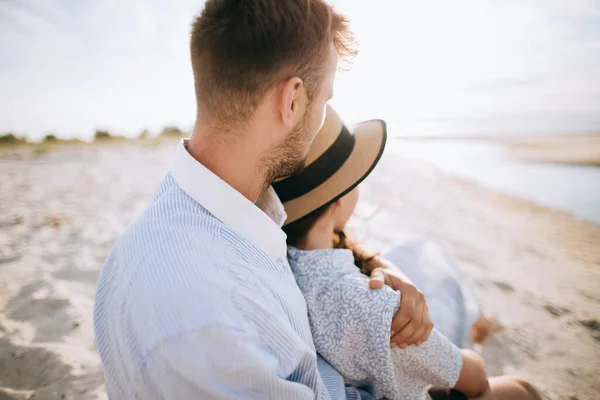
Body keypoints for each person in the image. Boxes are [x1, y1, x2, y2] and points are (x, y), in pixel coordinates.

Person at [93, 1, 433, 399]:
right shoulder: (202, 322)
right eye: (323, 100)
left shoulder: (225, 210)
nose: (322, 116)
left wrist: (382, 268)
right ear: (292, 100)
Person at [274, 107, 542, 400]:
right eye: (354, 179)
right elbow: (475, 379)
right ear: (338, 197)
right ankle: (479, 329)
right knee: (521, 390)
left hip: (380, 373)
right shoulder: (376, 306)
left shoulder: (285, 266)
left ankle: (478, 327)